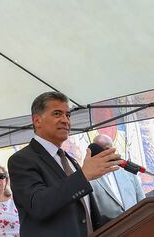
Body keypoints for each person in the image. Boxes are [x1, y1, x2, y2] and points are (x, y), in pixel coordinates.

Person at [8, 91, 121, 236]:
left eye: (68, 115)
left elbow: (85, 214)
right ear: (37, 120)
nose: (65, 120)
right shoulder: (21, 160)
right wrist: (83, 175)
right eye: (57, 114)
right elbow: (38, 205)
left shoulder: (69, 160)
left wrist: (132, 218)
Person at [88, 134, 144, 220]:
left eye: (106, 148)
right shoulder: (90, 177)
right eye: (98, 149)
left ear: (113, 149)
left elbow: (141, 199)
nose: (103, 152)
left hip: (136, 223)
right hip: (110, 229)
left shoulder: (128, 171)